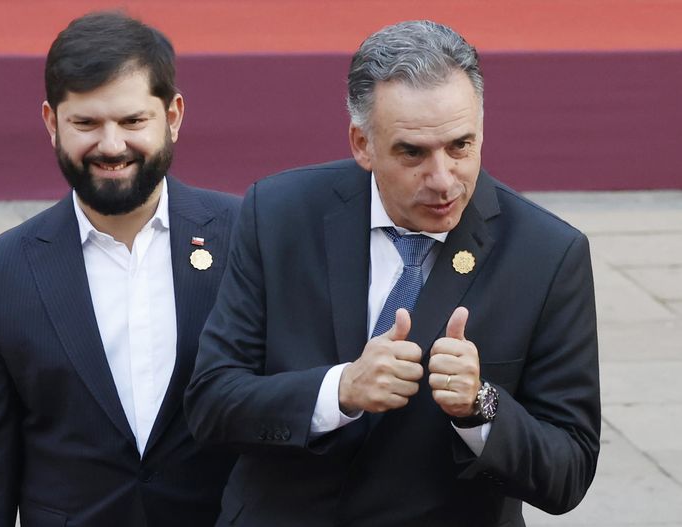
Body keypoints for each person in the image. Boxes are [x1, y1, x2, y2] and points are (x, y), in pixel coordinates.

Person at [185, 20, 600, 527]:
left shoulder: (547, 255)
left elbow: (569, 472)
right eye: (413, 153)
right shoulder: (277, 214)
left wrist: (481, 405)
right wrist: (339, 390)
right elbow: (211, 402)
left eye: (461, 146)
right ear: (363, 143)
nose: (443, 179)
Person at [0, 12, 239, 527]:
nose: (110, 146)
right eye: (86, 123)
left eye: (132, 122)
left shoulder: (246, 236)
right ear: (50, 123)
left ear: (172, 116)